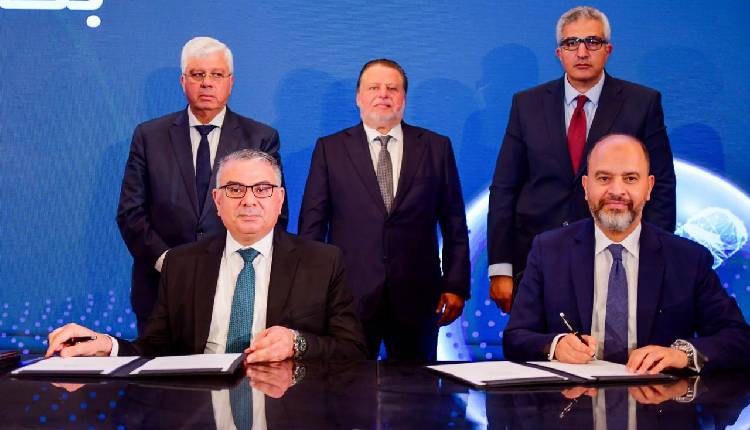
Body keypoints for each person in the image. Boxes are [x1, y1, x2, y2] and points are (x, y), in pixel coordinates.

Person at [49, 149, 366, 362]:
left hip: (284, 403)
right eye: (235, 189)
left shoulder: (322, 262)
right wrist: (109, 345)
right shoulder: (182, 263)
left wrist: (297, 343)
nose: (249, 200)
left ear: (280, 199)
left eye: (262, 189)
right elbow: (155, 349)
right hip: (198, 404)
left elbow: (352, 348)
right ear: (217, 200)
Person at [503, 134, 750, 373]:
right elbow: (515, 338)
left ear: (649, 187)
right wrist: (555, 346)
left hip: (659, 399)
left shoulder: (688, 259)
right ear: (586, 187)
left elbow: (739, 339)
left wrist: (682, 355)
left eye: (630, 178)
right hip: (573, 399)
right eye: (604, 178)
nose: (617, 191)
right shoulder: (548, 251)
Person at [487, 6, 676, 312]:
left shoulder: (642, 103)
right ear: (559, 53)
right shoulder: (527, 104)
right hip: (535, 257)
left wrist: (657, 257)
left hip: (615, 253)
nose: (582, 52)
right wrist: (500, 266)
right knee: (538, 341)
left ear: (608, 50)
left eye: (593, 42)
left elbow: (662, 185)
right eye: (571, 43)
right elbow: (504, 187)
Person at [298, 59, 470, 360]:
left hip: (418, 296)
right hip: (348, 296)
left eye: (392, 88)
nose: (383, 94)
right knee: (344, 383)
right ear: (358, 97)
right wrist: (313, 291)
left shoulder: (436, 147)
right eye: (374, 87)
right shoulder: (330, 149)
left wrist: (456, 285)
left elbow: (453, 222)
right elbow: (313, 225)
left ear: (404, 98)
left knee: (418, 386)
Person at [117, 36, 288, 334]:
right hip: (160, 285)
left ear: (231, 82)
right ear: (183, 81)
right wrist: (169, 263)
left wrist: (239, 263)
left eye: (216, 74)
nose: (207, 83)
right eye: (198, 74)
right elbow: (131, 213)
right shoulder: (149, 136)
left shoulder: (260, 137)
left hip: (237, 283)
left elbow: (273, 213)